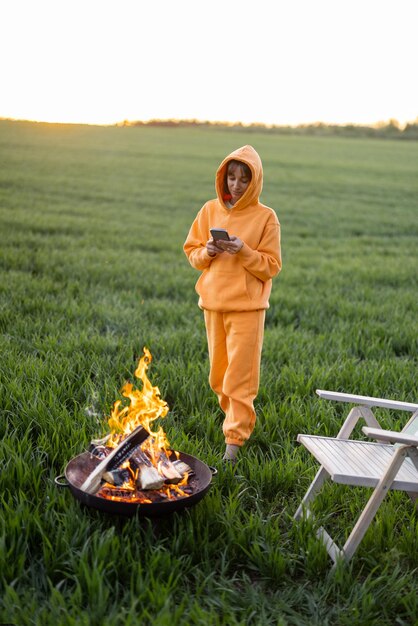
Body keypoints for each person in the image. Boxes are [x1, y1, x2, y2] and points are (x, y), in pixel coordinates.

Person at [183, 145, 282, 464]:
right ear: (223, 178)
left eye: (243, 179)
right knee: (219, 377)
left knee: (240, 379)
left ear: (254, 181)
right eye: (231, 178)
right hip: (213, 304)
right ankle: (234, 424)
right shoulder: (210, 209)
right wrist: (209, 251)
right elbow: (192, 253)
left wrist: (243, 250)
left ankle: (233, 445)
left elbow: (271, 266)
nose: (236, 185)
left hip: (247, 310)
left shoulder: (266, 217)